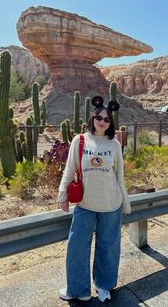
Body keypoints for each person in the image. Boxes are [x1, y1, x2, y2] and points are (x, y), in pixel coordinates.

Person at [57, 95, 131, 303]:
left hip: (110, 204)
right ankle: (78, 290)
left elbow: (120, 176)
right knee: (77, 247)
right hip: (85, 204)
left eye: (107, 119)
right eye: (99, 117)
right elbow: (69, 169)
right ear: (93, 117)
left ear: (111, 123)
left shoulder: (114, 145)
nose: (102, 121)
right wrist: (62, 194)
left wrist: (125, 201)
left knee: (108, 247)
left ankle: (104, 286)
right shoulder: (79, 140)